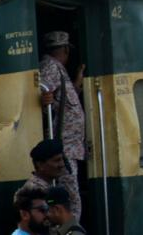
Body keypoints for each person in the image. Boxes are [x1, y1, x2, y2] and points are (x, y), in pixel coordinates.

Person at [38, 31, 84, 218]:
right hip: (62, 149)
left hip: (69, 148)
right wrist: (43, 100)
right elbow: (42, 94)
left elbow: (61, 101)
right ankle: (71, 230)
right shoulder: (50, 67)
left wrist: (76, 85)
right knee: (71, 200)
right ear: (65, 50)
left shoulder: (57, 69)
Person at [15, 139, 66, 216]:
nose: (62, 164)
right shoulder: (33, 191)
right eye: (57, 160)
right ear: (40, 165)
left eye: (62, 160)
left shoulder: (47, 187)